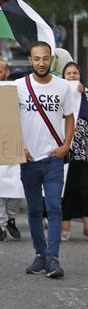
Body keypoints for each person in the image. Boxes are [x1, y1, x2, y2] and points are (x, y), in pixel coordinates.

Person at [16, 41, 78, 278]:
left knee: (54, 207)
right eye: (36, 59)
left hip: (53, 158)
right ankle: (40, 255)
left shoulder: (63, 86)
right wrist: (18, 146)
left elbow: (69, 116)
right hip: (29, 159)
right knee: (33, 210)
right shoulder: (18, 86)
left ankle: (53, 258)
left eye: (45, 58)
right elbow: (5, 116)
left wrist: (65, 146)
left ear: (51, 60)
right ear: (30, 60)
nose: (41, 63)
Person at [0, 59, 22, 243]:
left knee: (15, 186)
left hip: (12, 144)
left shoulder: (16, 90)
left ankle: (11, 218)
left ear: (6, 72)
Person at [62, 62, 88, 241]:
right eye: (68, 73)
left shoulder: (86, 95)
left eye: (75, 73)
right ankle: (65, 228)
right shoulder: (58, 94)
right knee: (65, 189)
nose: (72, 76)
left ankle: (86, 225)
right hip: (65, 153)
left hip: (84, 152)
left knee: (85, 188)